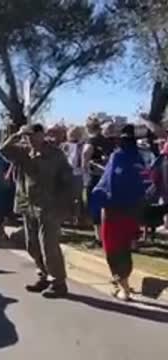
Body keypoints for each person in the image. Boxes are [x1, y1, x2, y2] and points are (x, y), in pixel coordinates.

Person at [0, 123, 74, 298]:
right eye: (27, 136)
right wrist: (18, 134)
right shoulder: (24, 152)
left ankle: (58, 283)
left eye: (33, 135)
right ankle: (44, 276)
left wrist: (64, 205)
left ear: (42, 135)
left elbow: (67, 180)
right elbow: (4, 150)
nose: (30, 139)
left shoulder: (55, 155)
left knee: (48, 246)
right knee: (31, 245)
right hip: (28, 206)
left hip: (49, 207)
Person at [92, 124, 146, 301]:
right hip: (133, 210)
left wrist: (98, 198)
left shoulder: (117, 156)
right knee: (124, 248)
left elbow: (108, 183)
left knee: (113, 249)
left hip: (114, 210)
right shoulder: (139, 158)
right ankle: (124, 283)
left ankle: (124, 288)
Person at [62, 126, 86, 225]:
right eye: (71, 133)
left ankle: (78, 217)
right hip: (66, 173)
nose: (73, 136)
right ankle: (67, 217)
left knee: (77, 197)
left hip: (78, 173)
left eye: (75, 134)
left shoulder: (82, 145)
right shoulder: (64, 145)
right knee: (66, 196)